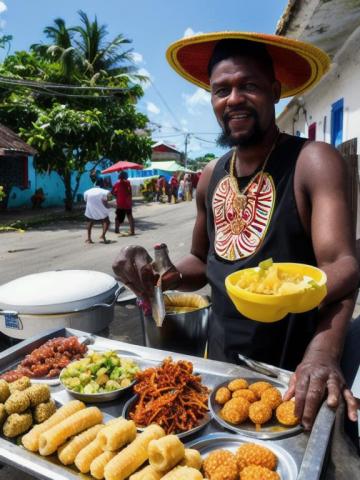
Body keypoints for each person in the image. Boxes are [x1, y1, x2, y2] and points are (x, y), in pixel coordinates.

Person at [112, 32, 359, 431]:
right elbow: (200, 260)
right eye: (221, 90)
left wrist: (322, 352)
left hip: (298, 374)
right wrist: (161, 273)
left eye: (249, 85)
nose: (233, 99)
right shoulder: (210, 175)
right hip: (223, 368)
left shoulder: (313, 161)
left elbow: (342, 266)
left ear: (275, 91)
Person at [112, 171, 135, 236]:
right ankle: (132, 231)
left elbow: (114, 192)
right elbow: (129, 192)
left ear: (119, 176)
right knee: (130, 216)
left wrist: (117, 195)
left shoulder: (116, 183)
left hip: (120, 203)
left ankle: (117, 229)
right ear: (126, 176)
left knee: (118, 217)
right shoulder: (128, 183)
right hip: (127, 203)